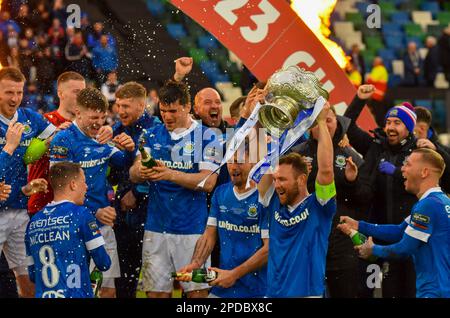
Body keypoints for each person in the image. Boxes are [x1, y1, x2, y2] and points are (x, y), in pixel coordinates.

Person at [129, 80, 221, 298]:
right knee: (156, 295)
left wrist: (169, 173)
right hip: (155, 229)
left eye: (173, 111)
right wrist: (141, 170)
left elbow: (208, 183)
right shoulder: (151, 135)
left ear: (187, 107)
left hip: (192, 230)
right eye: (163, 111)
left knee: (197, 294)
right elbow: (133, 173)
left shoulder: (210, 137)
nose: (167, 117)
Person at [49, 87, 135, 298]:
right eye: (93, 117)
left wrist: (130, 148)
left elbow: (124, 164)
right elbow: (60, 188)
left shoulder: (102, 137)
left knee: (107, 291)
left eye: (103, 117)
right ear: (78, 113)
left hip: (103, 225)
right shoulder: (64, 140)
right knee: (77, 290)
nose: (99, 122)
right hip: (73, 227)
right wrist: (93, 211)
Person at [338, 148, 450, 298]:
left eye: (408, 164)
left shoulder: (428, 206)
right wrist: (359, 225)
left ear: (424, 172)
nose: (402, 168)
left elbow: (404, 249)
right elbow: (399, 230)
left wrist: (373, 250)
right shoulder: (440, 201)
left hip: (434, 291)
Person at [257, 102, 337, 297]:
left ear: (302, 179)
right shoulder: (274, 202)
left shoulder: (320, 206)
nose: (277, 185)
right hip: (273, 294)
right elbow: (262, 172)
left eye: (282, 179)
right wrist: (272, 122)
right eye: (276, 179)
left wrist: (321, 121)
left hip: (307, 293)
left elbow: (326, 170)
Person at [291, 106, 369, 298]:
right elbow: (285, 197)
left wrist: (352, 182)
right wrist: (302, 178)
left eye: (329, 120)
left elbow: (365, 199)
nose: (324, 125)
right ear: (310, 126)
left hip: (341, 239)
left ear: (338, 123)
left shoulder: (352, 155)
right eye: (320, 120)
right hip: (307, 237)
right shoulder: (296, 155)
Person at [177, 144, 268, 298]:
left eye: (239, 162)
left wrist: (234, 274)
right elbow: (209, 235)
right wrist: (196, 263)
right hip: (224, 283)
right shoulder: (221, 193)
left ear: (253, 163)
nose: (233, 167)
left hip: (256, 289)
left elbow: (269, 249)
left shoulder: (264, 198)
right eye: (230, 162)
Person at [0, 67, 57, 297]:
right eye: (8, 92)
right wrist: (9, 147)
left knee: (28, 277)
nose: (15, 98)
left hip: (19, 210)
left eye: (19, 92)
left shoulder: (29, 118)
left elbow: (56, 137)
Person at [27, 71, 112, 215]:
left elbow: (101, 169)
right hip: (43, 205)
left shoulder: (93, 127)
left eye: (83, 92)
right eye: (76, 92)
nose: (81, 97)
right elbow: (28, 157)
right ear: (60, 94)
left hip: (80, 208)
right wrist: (50, 140)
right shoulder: (44, 121)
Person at [25, 162, 111, 298]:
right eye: (84, 182)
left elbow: (33, 275)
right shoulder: (81, 214)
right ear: (73, 184)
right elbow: (103, 262)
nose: (86, 187)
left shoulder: (34, 221)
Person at [109, 81, 161, 298]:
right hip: (122, 215)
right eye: (118, 105)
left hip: (152, 213)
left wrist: (136, 192)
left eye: (126, 106)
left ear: (141, 106)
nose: (121, 111)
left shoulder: (156, 128)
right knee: (123, 281)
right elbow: (111, 173)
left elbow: (157, 170)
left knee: (155, 282)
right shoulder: (116, 130)